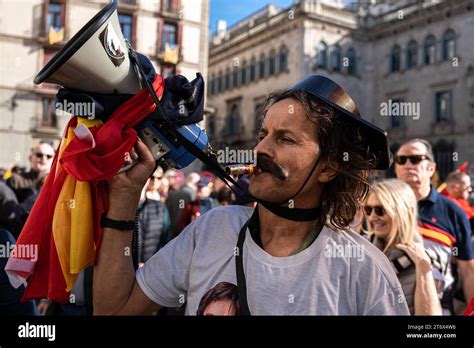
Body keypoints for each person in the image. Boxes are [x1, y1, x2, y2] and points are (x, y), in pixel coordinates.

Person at [93, 75, 409, 315]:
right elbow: (114, 310)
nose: (260, 150)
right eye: (263, 135)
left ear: (328, 168)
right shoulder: (212, 229)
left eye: (285, 139)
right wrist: (124, 196)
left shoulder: (365, 269)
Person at [395, 139, 474, 314]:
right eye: (401, 160)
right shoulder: (378, 208)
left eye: (415, 159)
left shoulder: (453, 211)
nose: (408, 164)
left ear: (431, 168)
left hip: (439, 309)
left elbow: (468, 271)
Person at [364, 179, 442, 315]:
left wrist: (423, 270)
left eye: (380, 210)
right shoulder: (359, 251)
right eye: (368, 210)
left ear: (405, 211)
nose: (372, 217)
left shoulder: (425, 259)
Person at [138, 175, 171, 264]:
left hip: (150, 267)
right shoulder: (123, 206)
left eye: (159, 178)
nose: (155, 181)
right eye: (152, 177)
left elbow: (165, 239)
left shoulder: (160, 207)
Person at [165, 172, 200, 238]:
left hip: (171, 228)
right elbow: (181, 209)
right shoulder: (187, 193)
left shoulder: (177, 191)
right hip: (178, 231)